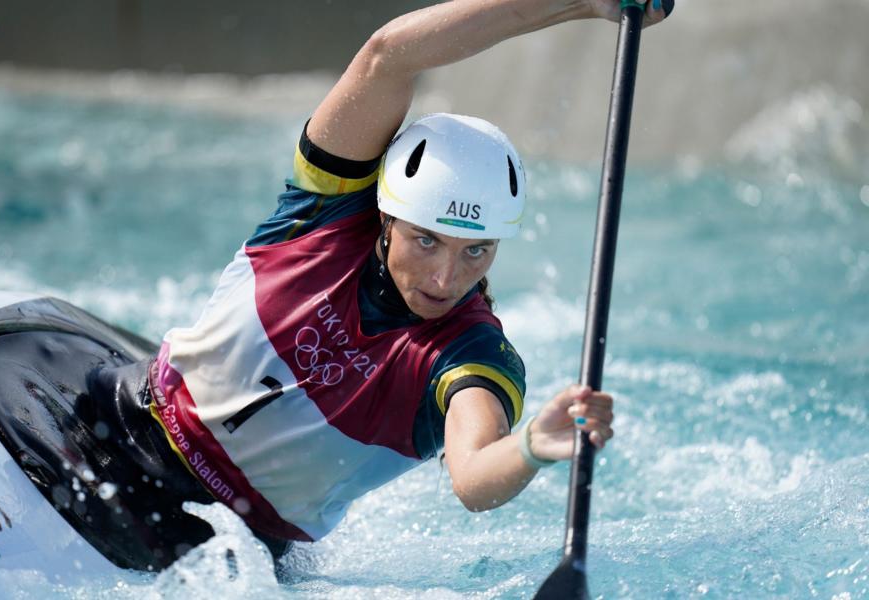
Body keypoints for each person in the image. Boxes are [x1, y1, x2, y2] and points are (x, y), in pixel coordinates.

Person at [143, 0, 670, 559]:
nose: (447, 278)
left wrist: (534, 444)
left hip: (238, 550)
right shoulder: (325, 209)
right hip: (139, 422)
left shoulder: (472, 352)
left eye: (477, 252)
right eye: (427, 241)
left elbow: (471, 476)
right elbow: (388, 56)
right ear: (387, 218)